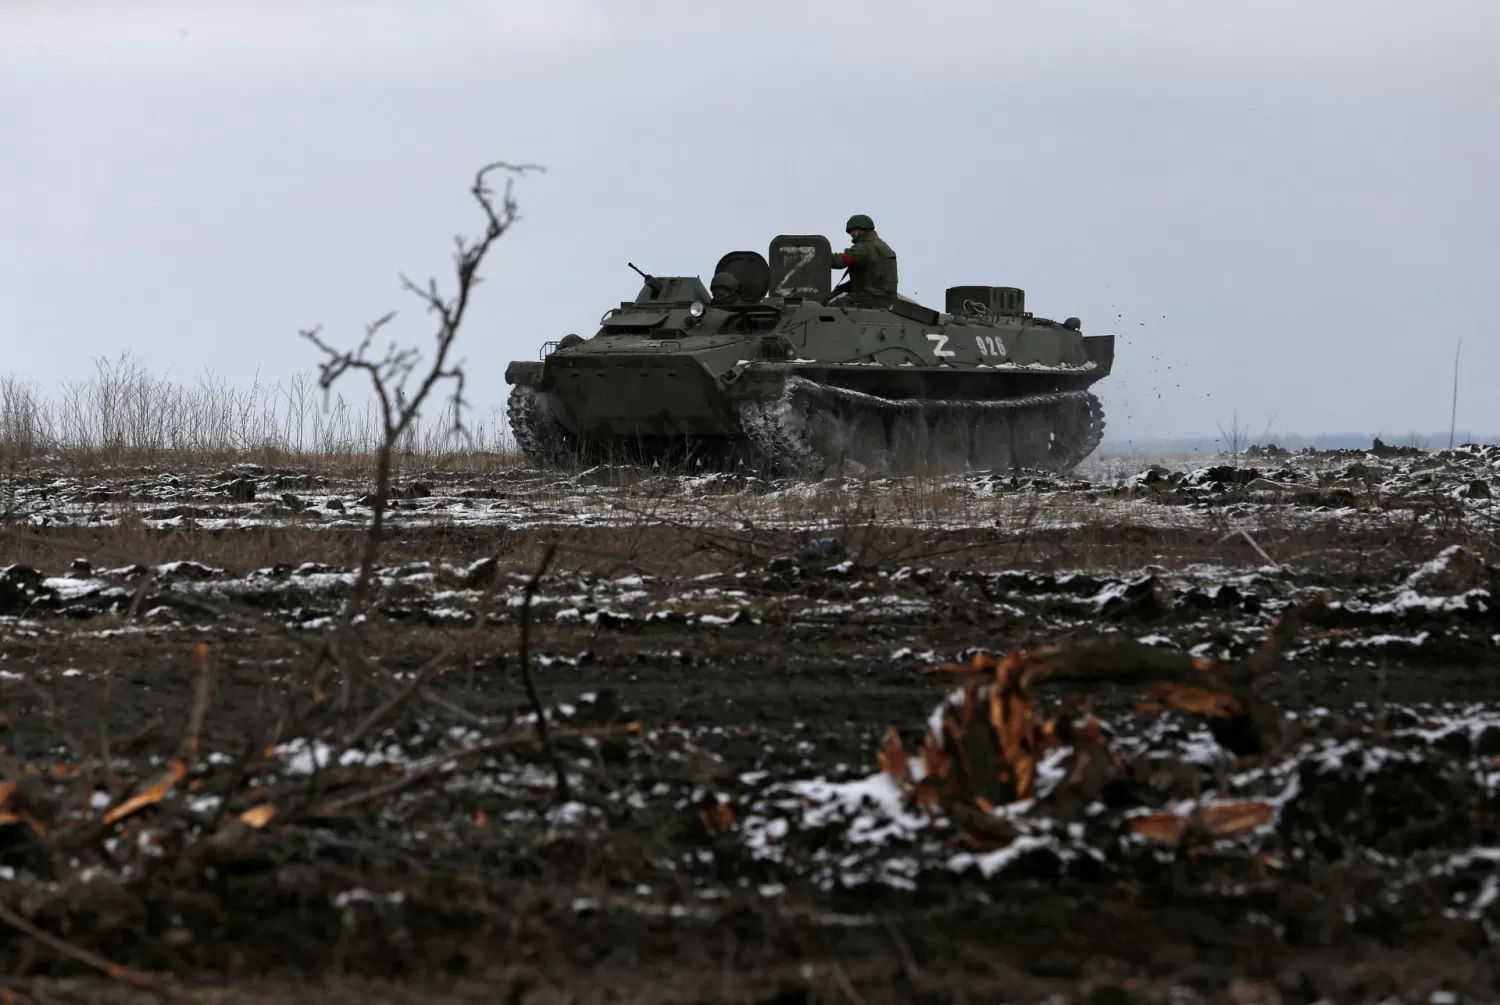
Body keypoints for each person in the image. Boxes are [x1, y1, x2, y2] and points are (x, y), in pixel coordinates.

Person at [829, 214, 897, 307]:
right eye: (850, 231)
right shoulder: (882, 246)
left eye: (854, 230)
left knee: (828, 310)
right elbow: (873, 277)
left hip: (868, 298)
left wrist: (818, 255)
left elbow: (839, 261)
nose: (852, 233)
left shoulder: (865, 247)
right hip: (887, 299)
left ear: (864, 229)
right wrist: (845, 287)